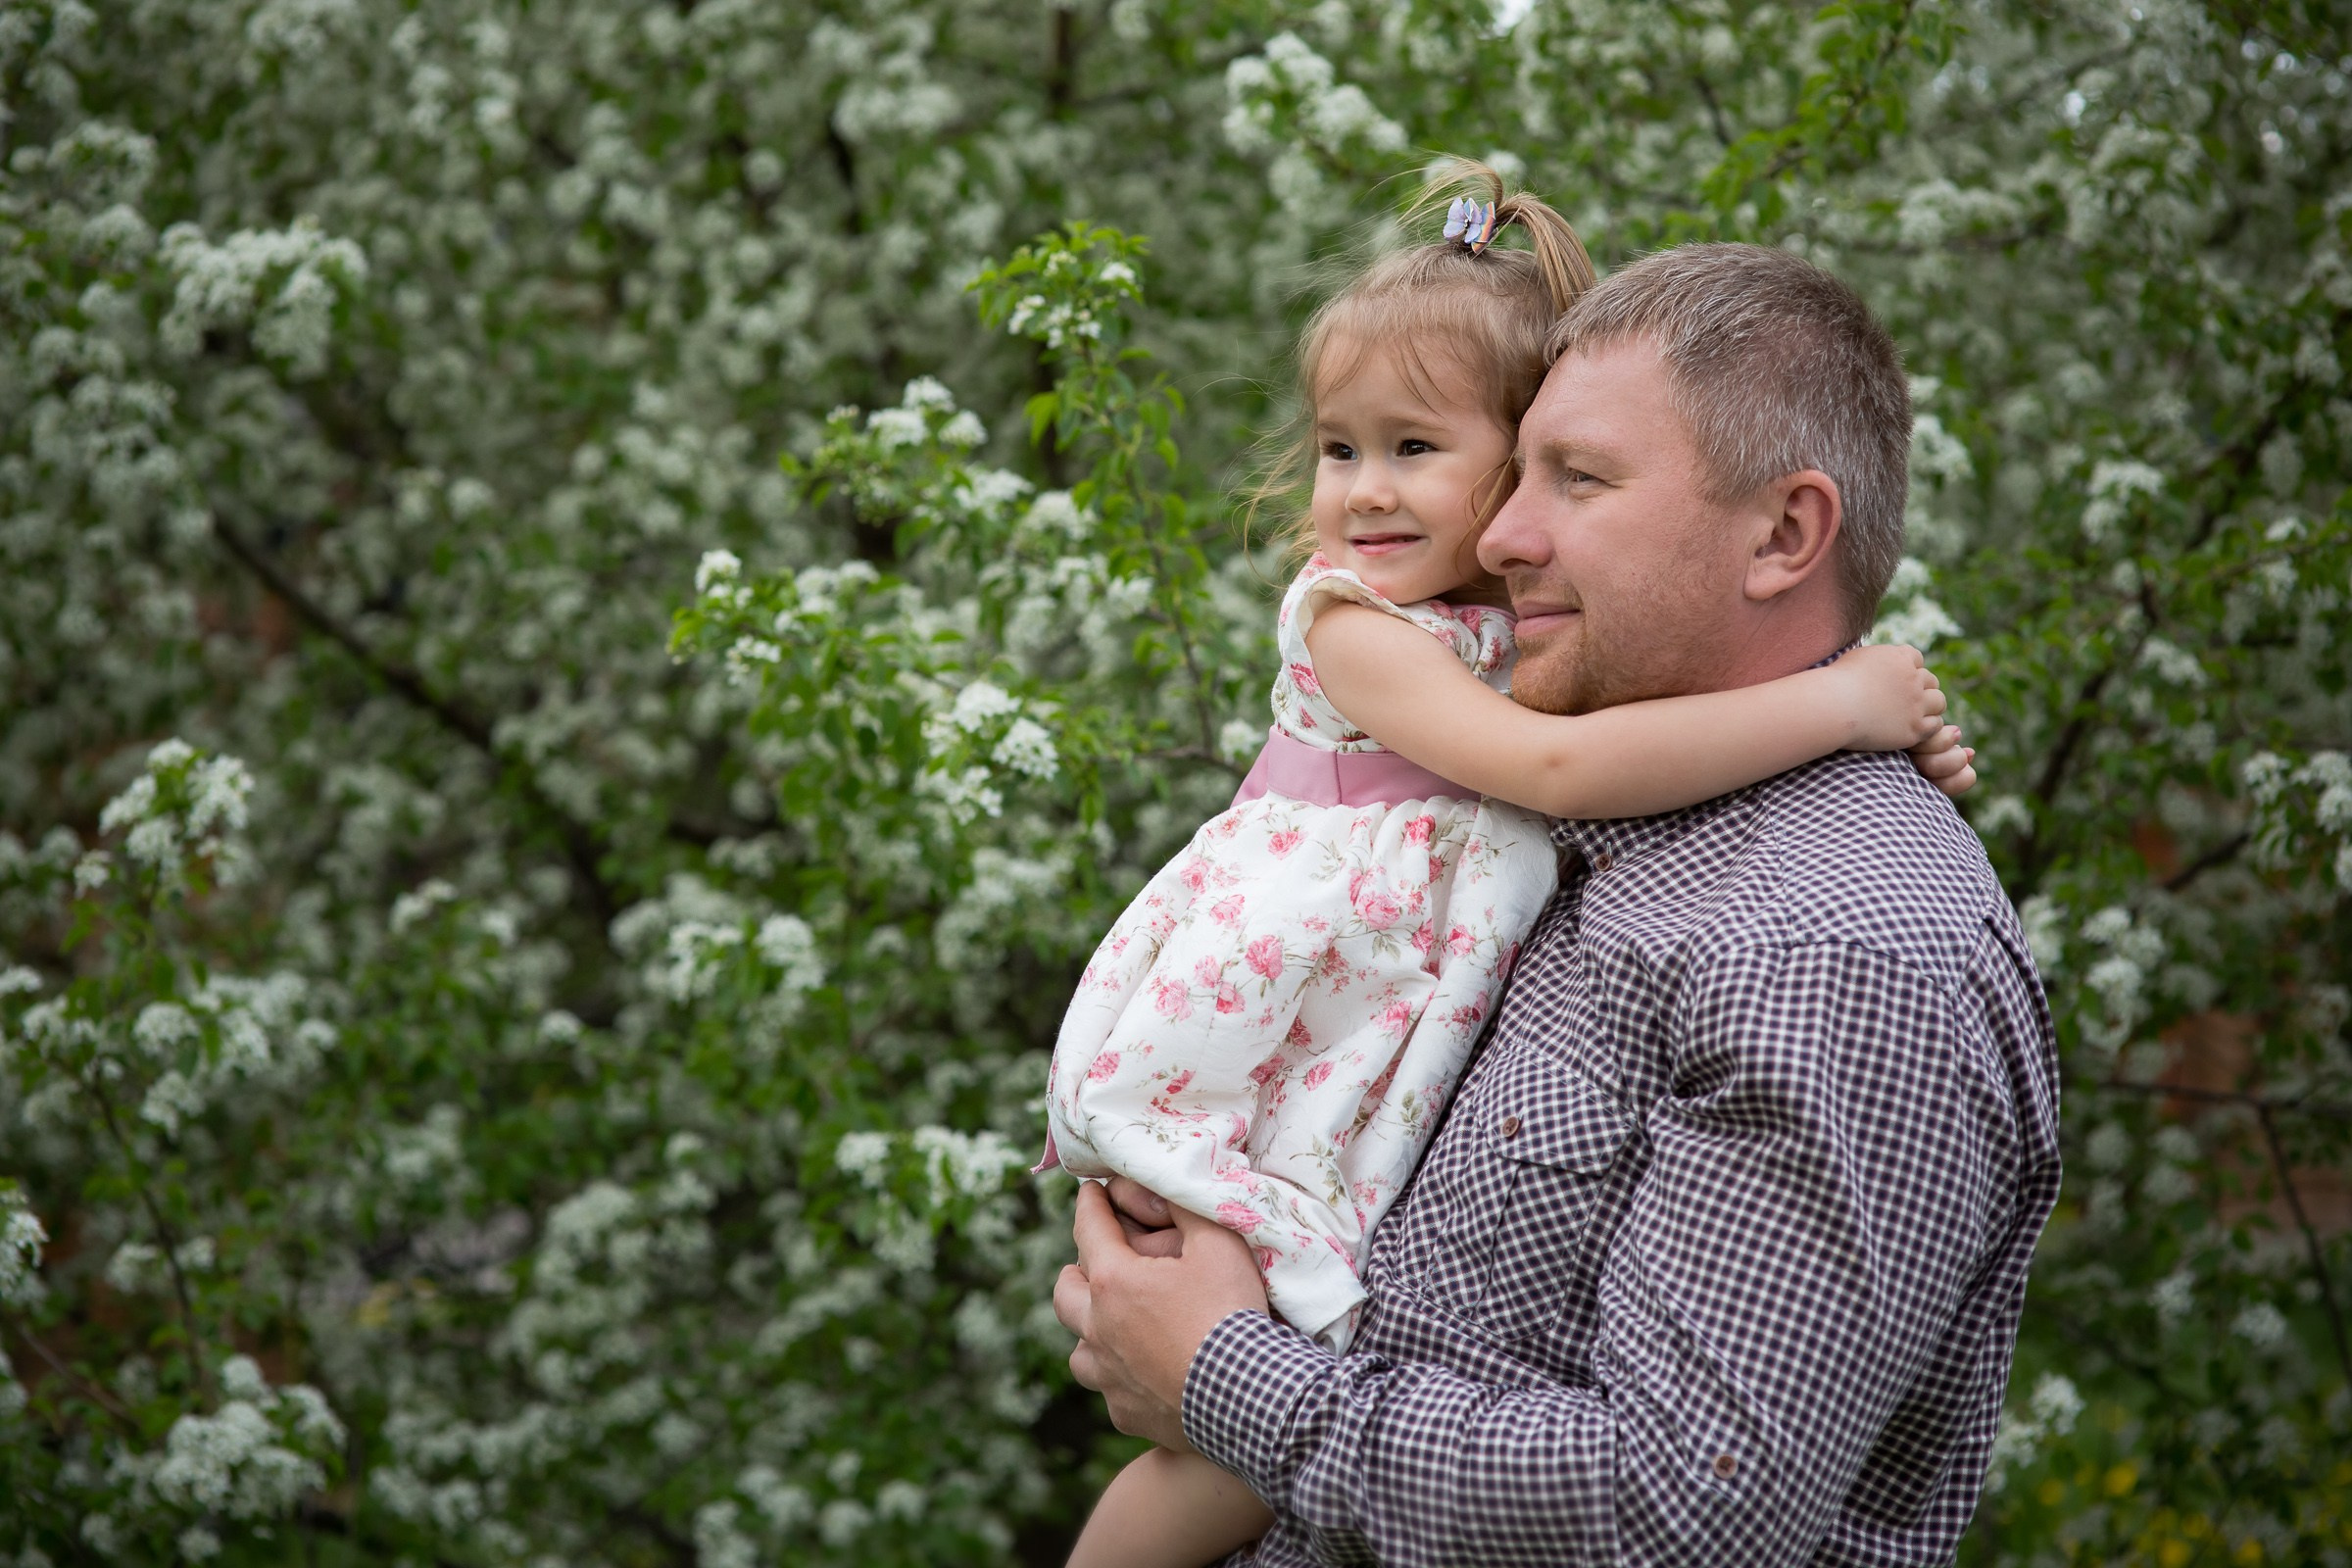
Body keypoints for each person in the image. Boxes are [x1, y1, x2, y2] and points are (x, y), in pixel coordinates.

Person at [1052, 239, 2064, 1568]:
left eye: (1578, 478)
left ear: (1783, 535)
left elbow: (1674, 1510)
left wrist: (1222, 1377)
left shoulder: (1828, 944)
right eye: (1514, 471)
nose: (1499, 536)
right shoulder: (1595, 826)